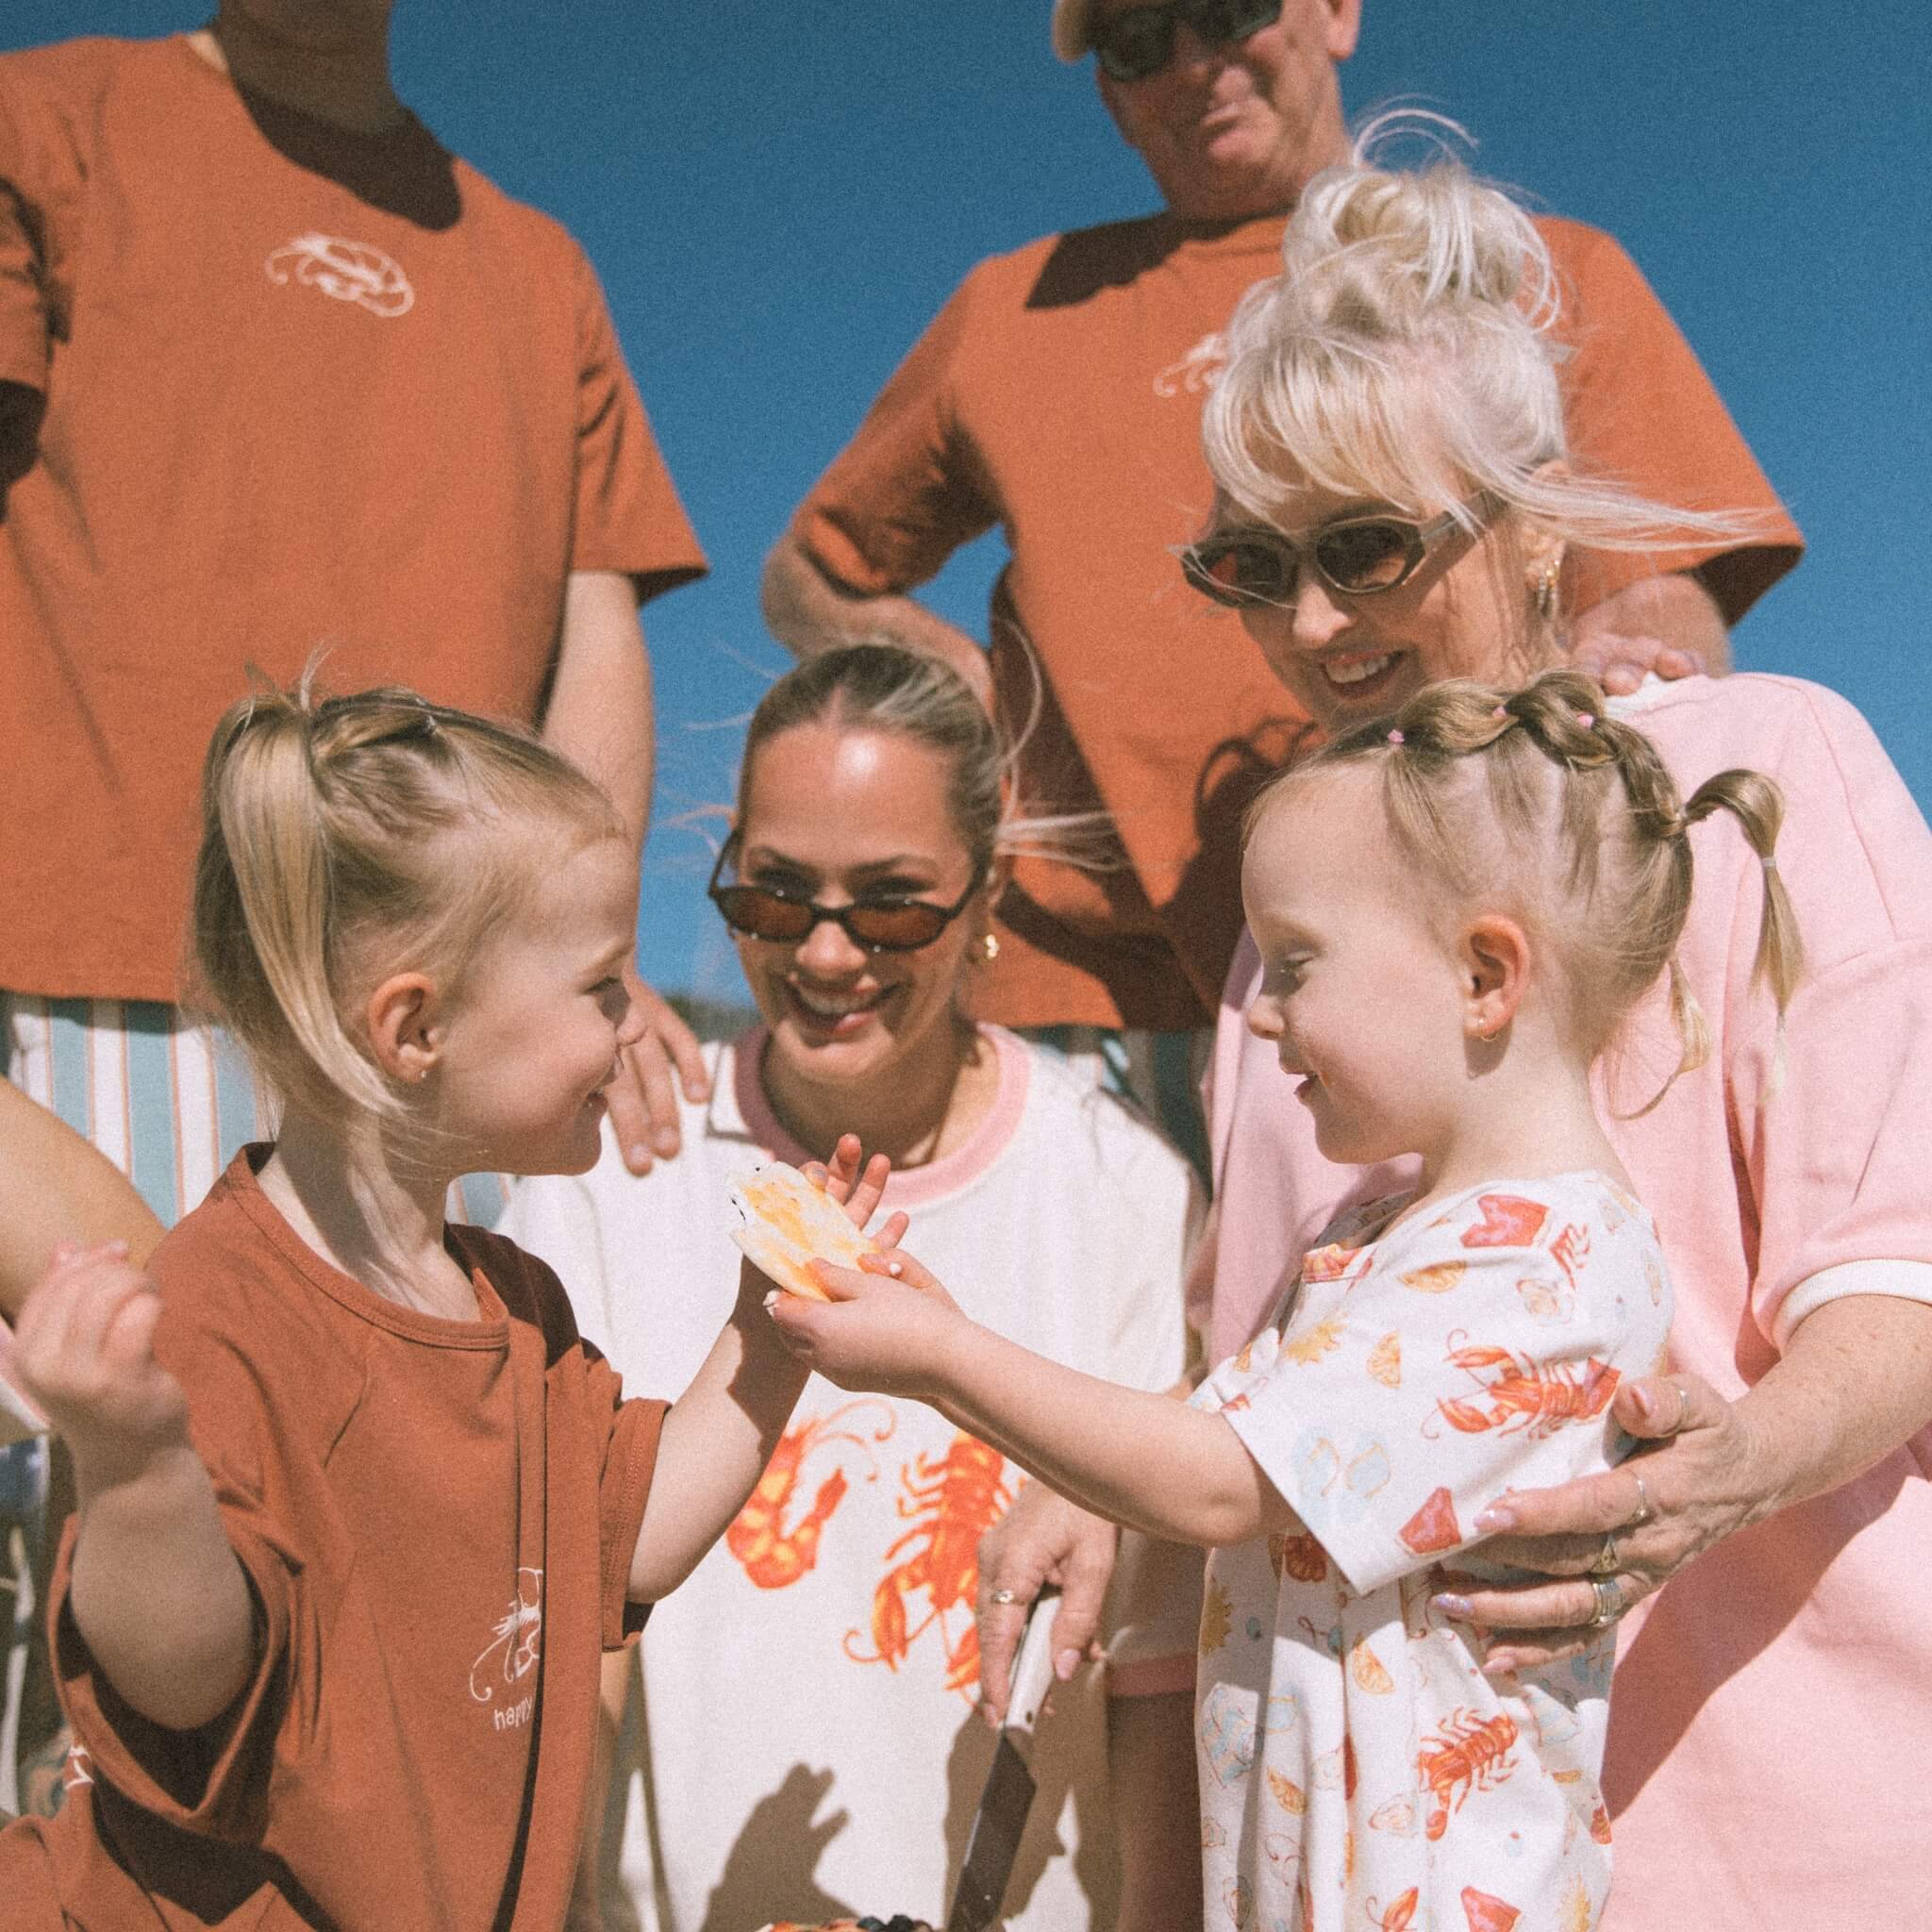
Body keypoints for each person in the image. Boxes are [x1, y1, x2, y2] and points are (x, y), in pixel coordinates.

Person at [980, 146, 1932, 1929]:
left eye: (1365, 547)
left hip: (1796, 1854)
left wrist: (1729, 1466)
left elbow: (1901, 1281)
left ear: (1537, 525)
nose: (1309, 624)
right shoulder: (1287, 952)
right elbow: (1301, 1409)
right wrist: (1130, 1485)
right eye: (1251, 565)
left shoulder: (1767, 770)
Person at [769, 662, 1805, 1928]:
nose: (1260, 1017)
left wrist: (944, 1357)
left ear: (1484, 975)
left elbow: (1219, 1482)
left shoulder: (1540, 1269)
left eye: (1297, 964)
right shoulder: (1383, 1239)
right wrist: (940, 1334)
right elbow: (1204, 1432)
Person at [0, 0, 714, 1816]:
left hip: (450, 1054)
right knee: (100, 1638)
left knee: (451, 1599)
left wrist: (597, 969)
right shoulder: (48, 123)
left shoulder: (538, 264)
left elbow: (597, 624)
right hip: (72, 993)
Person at [762, 0, 1802, 1136]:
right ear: (1107, 90)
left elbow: (1652, 592)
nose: (1191, 63)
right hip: (1085, 998)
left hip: (1454, 970)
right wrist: (973, 694)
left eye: (1226, 11)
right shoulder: (1010, 309)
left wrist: (1630, 683)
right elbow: (810, 576)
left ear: (1336, 14)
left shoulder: (1536, 269)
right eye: (1136, 44)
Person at [0, 683, 892, 1925]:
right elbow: (182, 1685)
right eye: (600, 984)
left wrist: (771, 1325)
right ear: (415, 1028)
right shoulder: (216, 1307)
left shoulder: (513, 1302)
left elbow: (630, 1538)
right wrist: (134, 1462)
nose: (634, 1022)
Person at [499, 643, 1201, 1932]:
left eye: (890, 905)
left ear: (986, 894)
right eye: (773, 896)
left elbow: (1156, 1665)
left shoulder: (1120, 1193)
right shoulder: (614, 1178)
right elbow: (559, 1624)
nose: (825, 953)